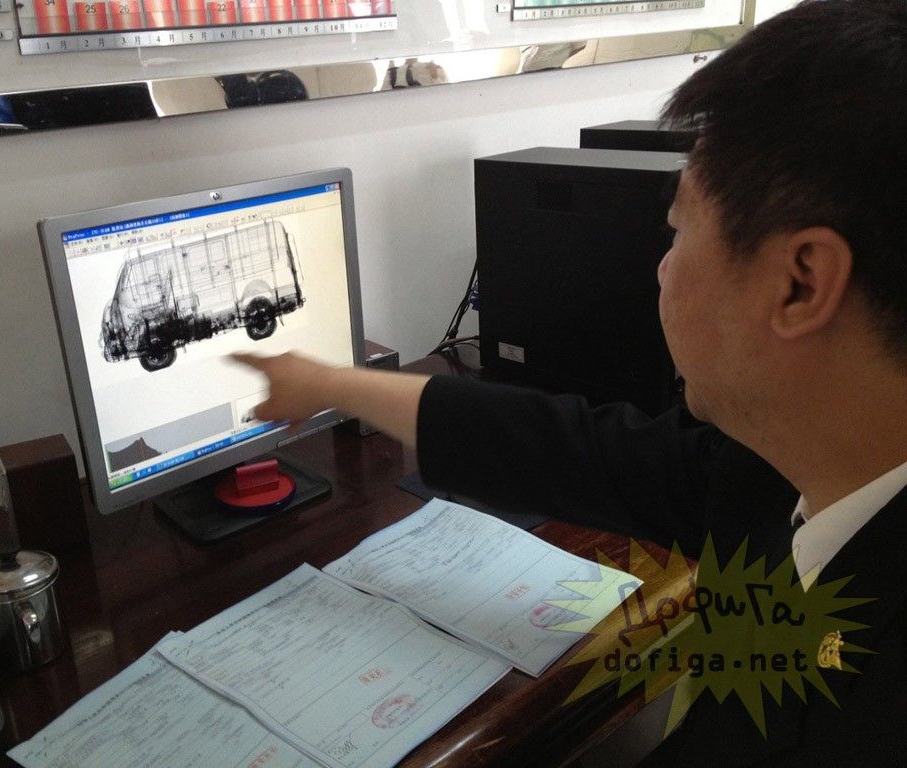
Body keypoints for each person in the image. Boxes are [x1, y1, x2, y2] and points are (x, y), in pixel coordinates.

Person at [234, 0, 907, 762]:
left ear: (800, 282)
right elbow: (571, 449)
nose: (661, 268)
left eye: (677, 231)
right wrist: (334, 383)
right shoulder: (781, 465)